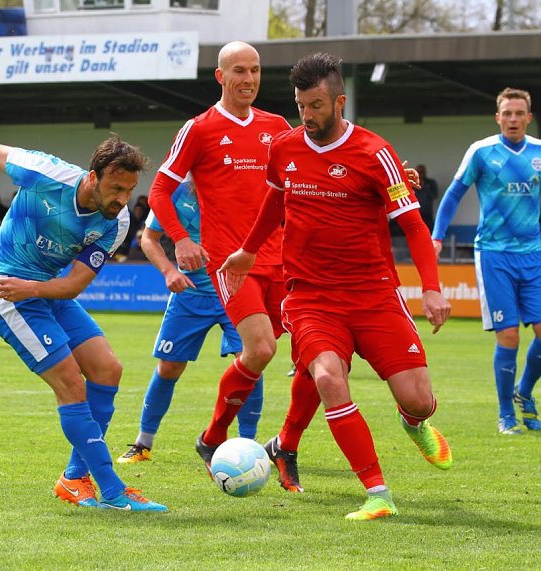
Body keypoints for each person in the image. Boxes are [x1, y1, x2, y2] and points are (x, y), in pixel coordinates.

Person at [222, 52, 453, 521]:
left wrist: (431, 288)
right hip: (311, 296)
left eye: (317, 106)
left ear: (340, 102)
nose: (307, 116)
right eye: (301, 105)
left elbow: (412, 225)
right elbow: (275, 198)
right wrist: (248, 250)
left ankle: (415, 421)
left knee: (417, 398)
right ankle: (378, 493)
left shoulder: (375, 154)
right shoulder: (284, 148)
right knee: (327, 376)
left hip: (374, 295)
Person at [0, 121, 167, 512]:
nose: (123, 199)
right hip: (7, 295)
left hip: (44, 291)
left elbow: (74, 284)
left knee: (108, 369)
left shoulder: (118, 222)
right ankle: (112, 491)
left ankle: (75, 479)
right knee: (72, 385)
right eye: (116, 189)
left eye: (129, 190)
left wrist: (36, 288)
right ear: (93, 177)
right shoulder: (46, 173)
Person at [146, 40, 318, 490]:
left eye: (256, 70)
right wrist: (181, 240)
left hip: (289, 262)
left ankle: (285, 445)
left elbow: (319, 167)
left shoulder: (278, 125)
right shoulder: (199, 129)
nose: (249, 79)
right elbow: (159, 191)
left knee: (319, 360)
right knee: (260, 350)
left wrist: (391, 175)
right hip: (233, 264)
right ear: (220, 77)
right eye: (239, 71)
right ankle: (213, 436)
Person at [117, 180, 260, 464]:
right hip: (190, 294)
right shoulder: (175, 193)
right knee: (169, 367)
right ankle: (143, 443)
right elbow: (149, 237)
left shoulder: (240, 186)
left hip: (235, 290)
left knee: (250, 360)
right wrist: (169, 271)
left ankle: (249, 445)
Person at [431, 87, 541, 435]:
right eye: (506, 113)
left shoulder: (539, 152)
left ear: (528, 117)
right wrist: (436, 236)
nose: (512, 119)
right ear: (498, 117)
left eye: (518, 113)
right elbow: (453, 195)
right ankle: (506, 413)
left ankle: (524, 391)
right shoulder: (481, 151)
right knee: (508, 335)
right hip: (494, 254)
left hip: (535, 254)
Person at [414, 164, 439, 231]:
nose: (420, 174)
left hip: (427, 213)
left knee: (429, 231)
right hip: (415, 213)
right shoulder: (411, 183)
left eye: (421, 172)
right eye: (418, 172)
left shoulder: (430, 183)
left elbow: (434, 195)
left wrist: (425, 187)